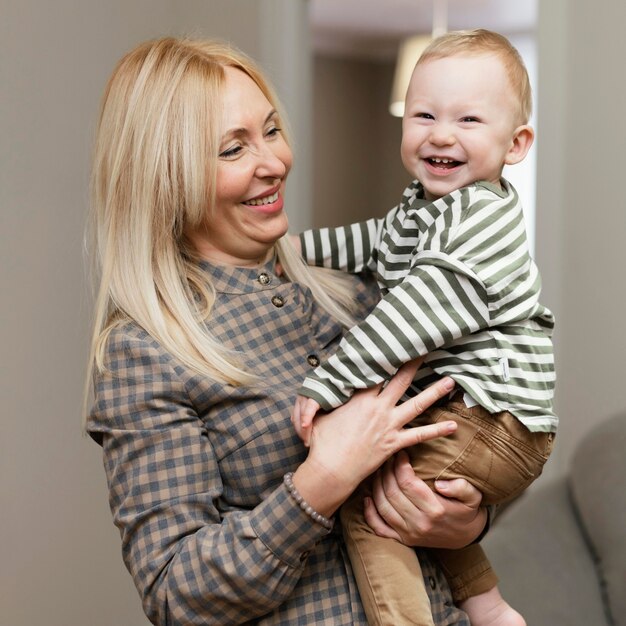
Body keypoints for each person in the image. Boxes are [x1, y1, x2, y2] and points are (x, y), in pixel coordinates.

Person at [84, 36, 491, 625]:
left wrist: (467, 518)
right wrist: (323, 480)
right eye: (233, 149)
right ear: (165, 175)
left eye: (272, 131)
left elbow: (469, 438)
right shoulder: (144, 351)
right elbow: (176, 595)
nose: (274, 163)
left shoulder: (355, 292)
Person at [292, 29, 557, 626]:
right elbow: (364, 240)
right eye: (424, 115)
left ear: (515, 145)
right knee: (406, 491)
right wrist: (288, 252)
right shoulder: (423, 208)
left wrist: (327, 384)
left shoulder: (481, 221)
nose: (441, 133)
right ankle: (489, 607)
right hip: (485, 418)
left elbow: (409, 321)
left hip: (493, 421)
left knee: (368, 507)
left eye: (468, 119)